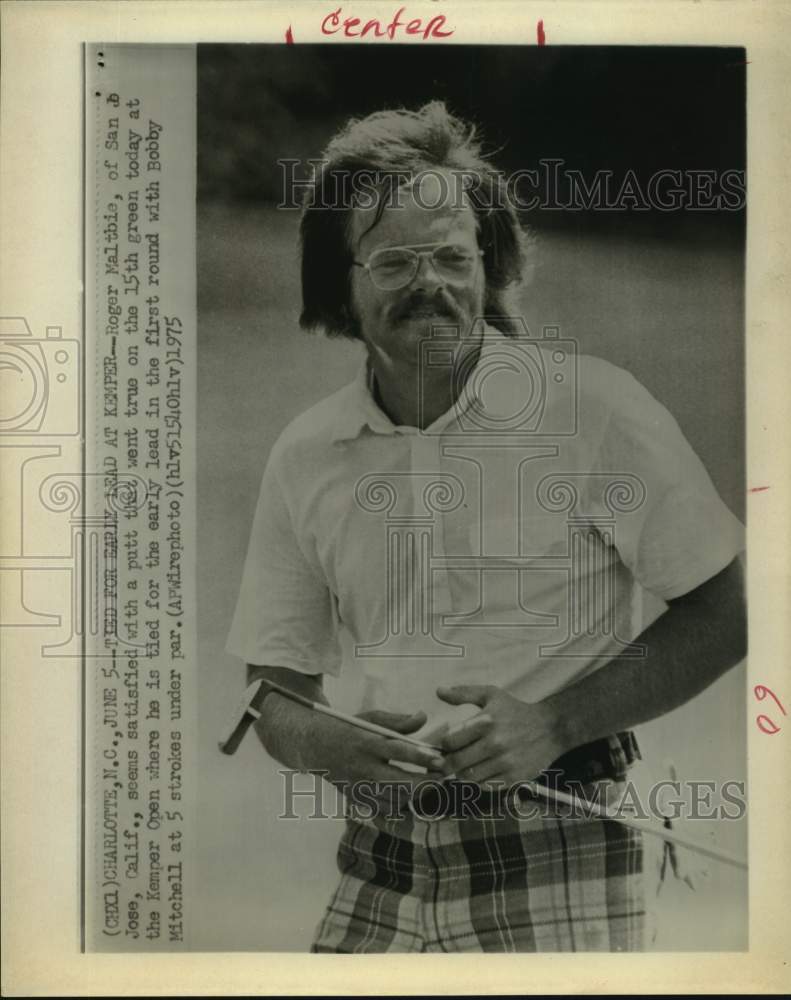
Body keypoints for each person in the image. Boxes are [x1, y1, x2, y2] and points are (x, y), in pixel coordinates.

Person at [226, 101, 746, 952]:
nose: (428, 282)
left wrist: (555, 724)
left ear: (488, 267)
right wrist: (317, 741)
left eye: (451, 256)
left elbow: (732, 607)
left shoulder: (592, 412)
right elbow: (273, 690)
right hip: (378, 854)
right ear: (340, 286)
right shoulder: (306, 453)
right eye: (393, 259)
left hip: (559, 847)